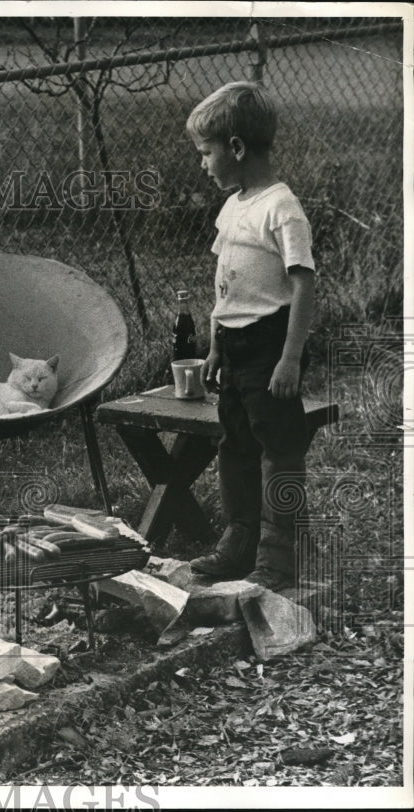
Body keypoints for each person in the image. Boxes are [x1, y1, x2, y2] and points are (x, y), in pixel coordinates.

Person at [184, 81, 316, 591]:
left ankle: (279, 553)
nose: (203, 164)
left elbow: (304, 285)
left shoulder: (281, 208)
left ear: (236, 148)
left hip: (268, 345)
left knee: (278, 447)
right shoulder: (233, 205)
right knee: (235, 442)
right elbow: (225, 282)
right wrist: (216, 343)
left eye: (206, 153)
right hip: (234, 348)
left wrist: (290, 357)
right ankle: (240, 539)